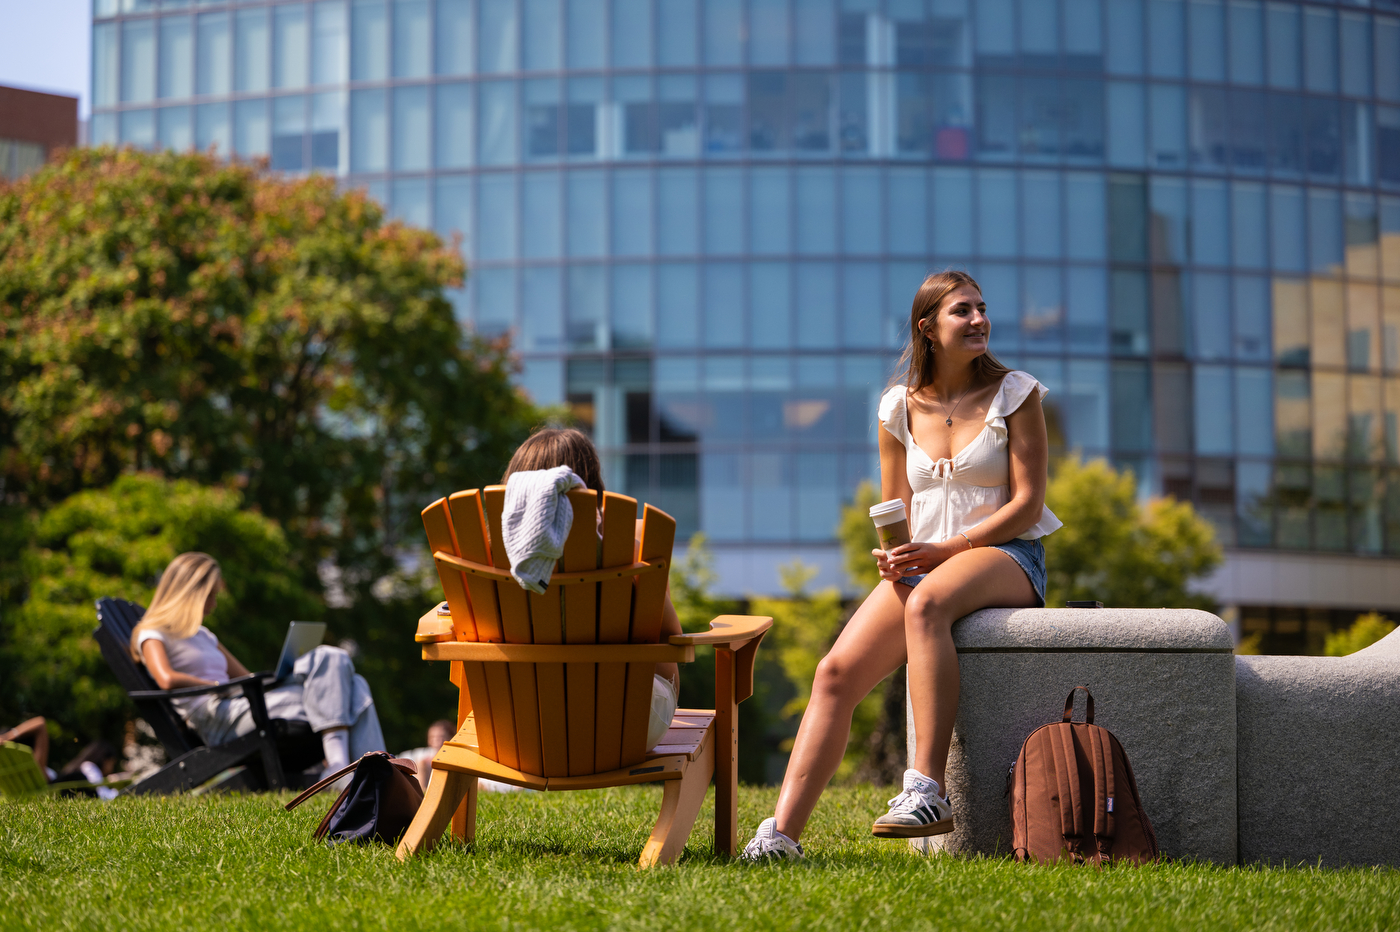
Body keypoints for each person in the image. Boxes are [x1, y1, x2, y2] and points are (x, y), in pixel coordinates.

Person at [741, 270, 1062, 860]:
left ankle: (927, 791)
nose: (979, 320)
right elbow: (897, 507)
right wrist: (896, 551)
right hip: (926, 562)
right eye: (962, 311)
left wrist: (948, 550)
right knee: (834, 673)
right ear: (928, 328)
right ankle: (780, 836)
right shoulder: (897, 407)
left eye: (982, 308)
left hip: (1005, 557)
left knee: (930, 602)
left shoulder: (1017, 393)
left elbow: (1027, 505)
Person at [502, 427, 682, 753]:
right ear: (592, 485)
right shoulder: (628, 551)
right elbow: (673, 636)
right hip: (628, 725)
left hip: (520, 724)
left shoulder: (492, 559)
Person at [131, 552, 386, 781]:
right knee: (347, 689)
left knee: (335, 661)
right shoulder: (153, 632)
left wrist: (282, 676)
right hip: (217, 717)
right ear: (190, 593)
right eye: (211, 596)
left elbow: (246, 677)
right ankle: (369, 774)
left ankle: (347, 768)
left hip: (240, 704)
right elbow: (166, 679)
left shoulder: (204, 635)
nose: (214, 603)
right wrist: (215, 686)